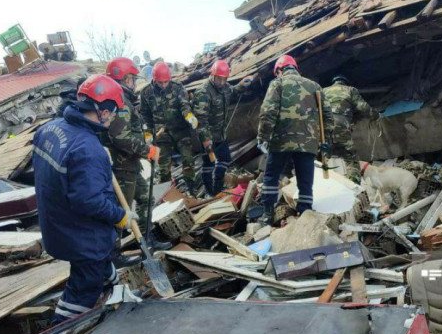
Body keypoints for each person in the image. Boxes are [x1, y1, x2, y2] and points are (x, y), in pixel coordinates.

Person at [33, 75, 133, 325]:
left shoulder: (50, 129)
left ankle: (115, 288)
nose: (111, 119)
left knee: (101, 262)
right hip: (80, 236)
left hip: (55, 223)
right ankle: (56, 332)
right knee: (84, 287)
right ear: (103, 111)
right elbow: (89, 201)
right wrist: (120, 216)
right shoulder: (88, 149)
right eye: (112, 113)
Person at [257, 55, 333, 225]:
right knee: (305, 180)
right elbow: (327, 116)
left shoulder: (277, 83)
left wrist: (263, 136)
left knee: (271, 177)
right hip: (308, 143)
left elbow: (268, 112)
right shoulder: (315, 86)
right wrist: (325, 140)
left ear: (278, 71)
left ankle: (267, 214)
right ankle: (305, 213)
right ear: (296, 69)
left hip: (281, 141)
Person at [105, 57, 168, 257]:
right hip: (121, 167)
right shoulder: (120, 101)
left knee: (146, 199)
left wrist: (145, 144)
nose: (134, 82)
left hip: (130, 165)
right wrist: (146, 150)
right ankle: (113, 256)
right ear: (124, 78)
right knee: (118, 211)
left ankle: (146, 240)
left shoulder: (123, 99)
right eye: (132, 78)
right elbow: (120, 137)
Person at [192, 60, 252, 196]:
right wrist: (206, 141)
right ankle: (210, 192)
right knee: (208, 164)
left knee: (224, 160)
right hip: (207, 136)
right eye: (219, 79)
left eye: (224, 79)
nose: (222, 82)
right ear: (213, 75)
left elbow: (232, 90)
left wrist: (241, 86)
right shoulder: (203, 92)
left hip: (220, 135)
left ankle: (217, 189)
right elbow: (200, 121)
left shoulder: (224, 87)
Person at [140, 62, 199, 195]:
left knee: (188, 159)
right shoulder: (146, 93)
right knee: (163, 166)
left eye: (166, 82)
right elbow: (145, 115)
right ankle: (167, 194)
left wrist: (189, 115)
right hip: (162, 134)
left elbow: (184, 104)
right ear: (154, 79)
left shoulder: (177, 88)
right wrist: (148, 132)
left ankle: (192, 191)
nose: (163, 85)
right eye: (160, 82)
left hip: (180, 130)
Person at [323, 75, 376, 184]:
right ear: (345, 83)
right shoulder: (350, 90)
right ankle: (354, 188)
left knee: (322, 159)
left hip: (323, 128)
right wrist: (376, 115)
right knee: (351, 159)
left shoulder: (323, 91)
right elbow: (363, 107)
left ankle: (319, 188)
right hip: (341, 126)